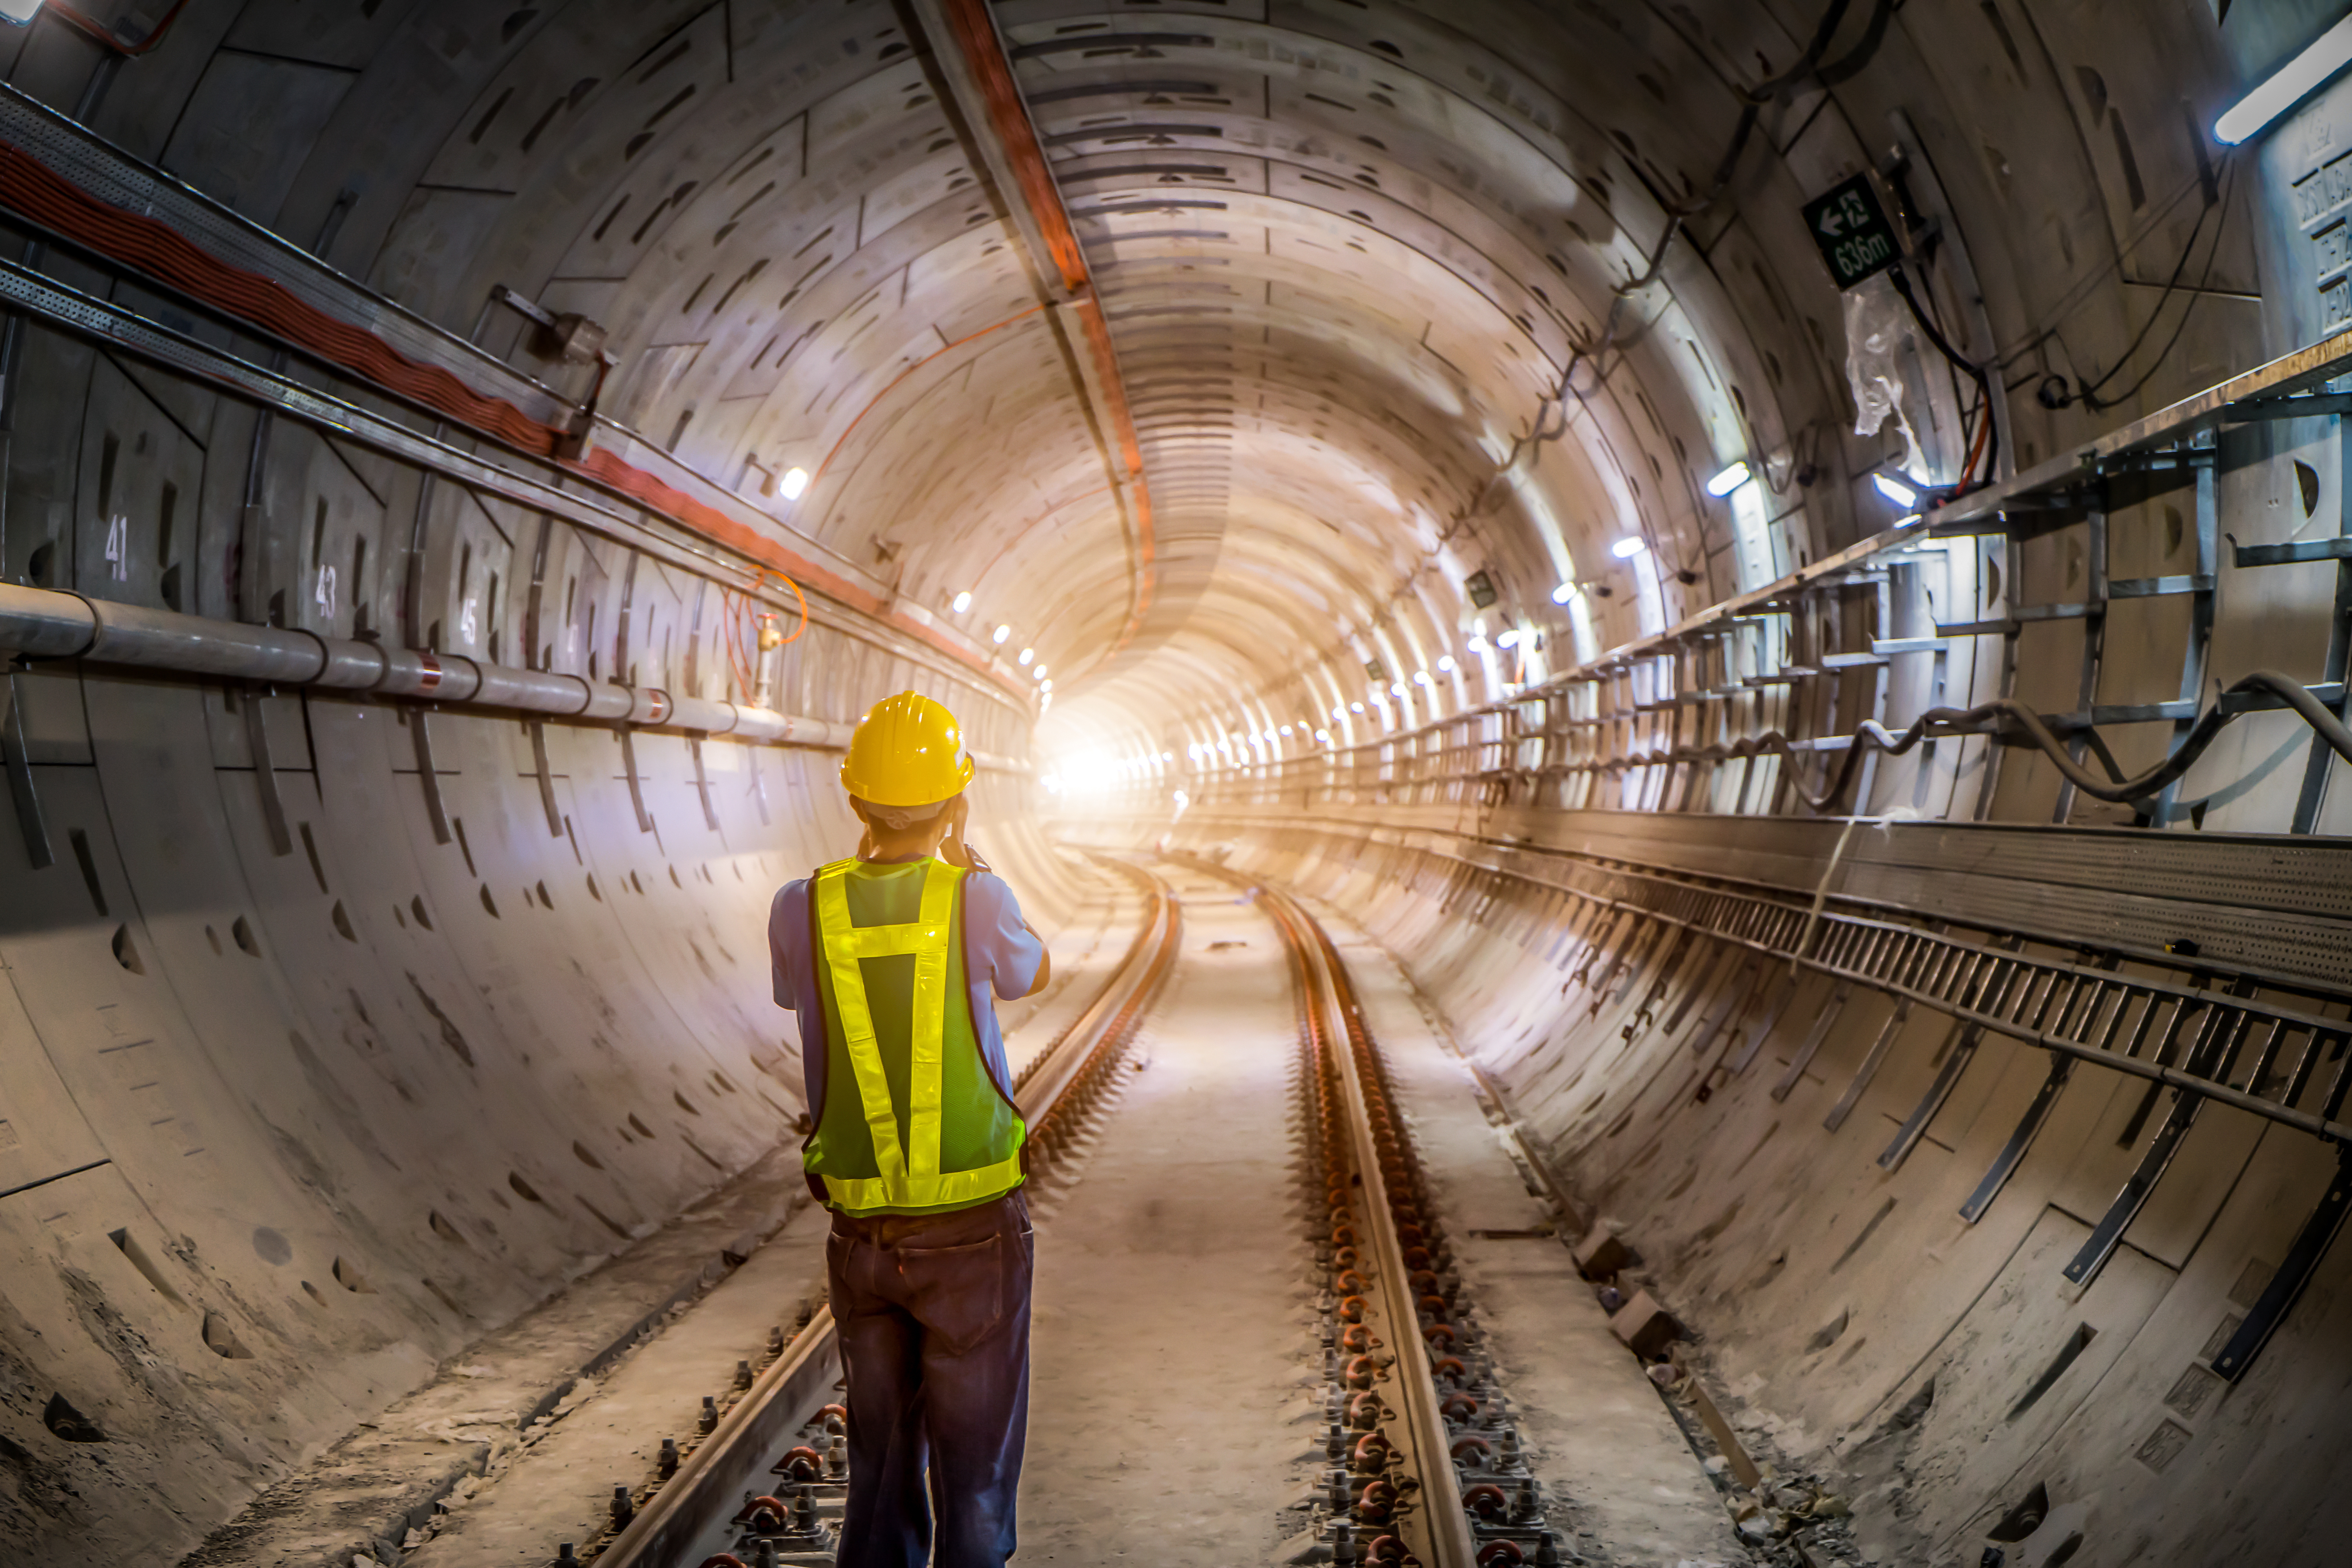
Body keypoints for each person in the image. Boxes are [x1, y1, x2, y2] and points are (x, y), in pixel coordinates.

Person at [768, 690, 1051, 1568]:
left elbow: (795, 994)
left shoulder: (800, 904)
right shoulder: (977, 896)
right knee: (974, 1477)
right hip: (971, 1230)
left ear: (854, 801)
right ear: (958, 801)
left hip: (861, 1233)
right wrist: (970, 865)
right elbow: (1031, 970)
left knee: (881, 1466)